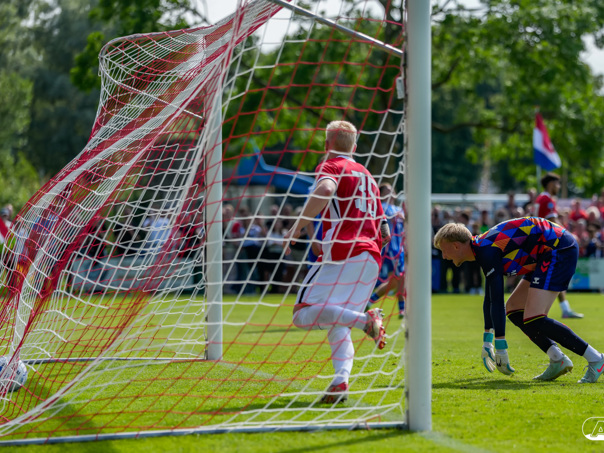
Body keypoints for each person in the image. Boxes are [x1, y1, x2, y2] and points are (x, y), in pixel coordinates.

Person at [283, 120, 390, 404]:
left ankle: (366, 320)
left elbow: (325, 191)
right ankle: (340, 381)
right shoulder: (368, 175)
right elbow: (385, 231)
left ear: (326, 144)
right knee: (338, 322)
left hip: (343, 252)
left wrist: (296, 227)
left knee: (301, 314)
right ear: (354, 146)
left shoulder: (330, 166)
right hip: (371, 257)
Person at [433, 217, 604, 383]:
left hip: (558, 248)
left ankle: (596, 359)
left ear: (456, 246)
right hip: (544, 253)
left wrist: (501, 346)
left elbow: (497, 300)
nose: (444, 256)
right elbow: (490, 297)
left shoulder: (486, 250)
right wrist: (487, 340)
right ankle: (557, 359)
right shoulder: (481, 248)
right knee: (514, 309)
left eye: (444, 250)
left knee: (534, 316)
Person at [534, 172, 583, 319]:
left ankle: (565, 308)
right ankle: (518, 309)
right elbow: (553, 222)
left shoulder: (540, 198)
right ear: (550, 184)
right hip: (547, 243)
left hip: (539, 242)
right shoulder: (547, 199)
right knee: (556, 274)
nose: (559, 187)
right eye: (557, 183)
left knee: (541, 276)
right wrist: (570, 236)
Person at [366, 183, 405, 318]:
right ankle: (402, 309)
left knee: (395, 281)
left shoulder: (399, 209)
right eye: (387, 190)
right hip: (390, 249)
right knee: (401, 277)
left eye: (392, 189)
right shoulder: (381, 207)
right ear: (381, 193)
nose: (391, 192)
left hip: (400, 248)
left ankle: (370, 301)